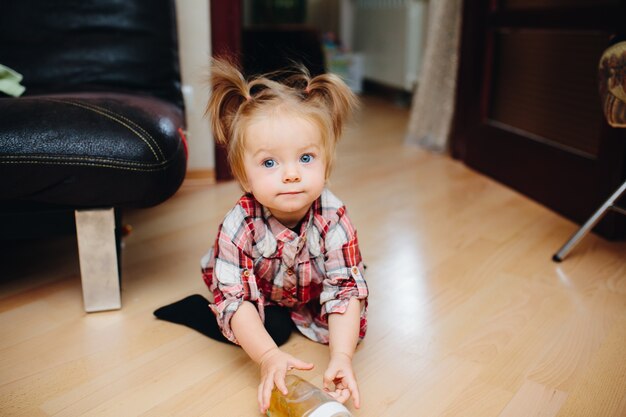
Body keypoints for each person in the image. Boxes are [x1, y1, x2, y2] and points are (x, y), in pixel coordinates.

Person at [201, 58, 369, 414]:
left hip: (306, 291)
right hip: (259, 290)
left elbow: (345, 288)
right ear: (244, 177)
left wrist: (342, 356)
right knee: (259, 329)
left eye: (306, 158)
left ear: (327, 164)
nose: (291, 174)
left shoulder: (333, 216)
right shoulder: (239, 224)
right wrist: (267, 357)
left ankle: (291, 322)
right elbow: (236, 298)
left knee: (344, 323)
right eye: (270, 163)